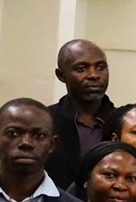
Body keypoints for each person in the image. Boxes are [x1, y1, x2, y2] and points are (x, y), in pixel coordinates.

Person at [46, 39, 116, 187]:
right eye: (81, 69)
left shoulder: (122, 122)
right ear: (61, 75)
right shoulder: (45, 121)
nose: (94, 75)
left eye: (100, 67)